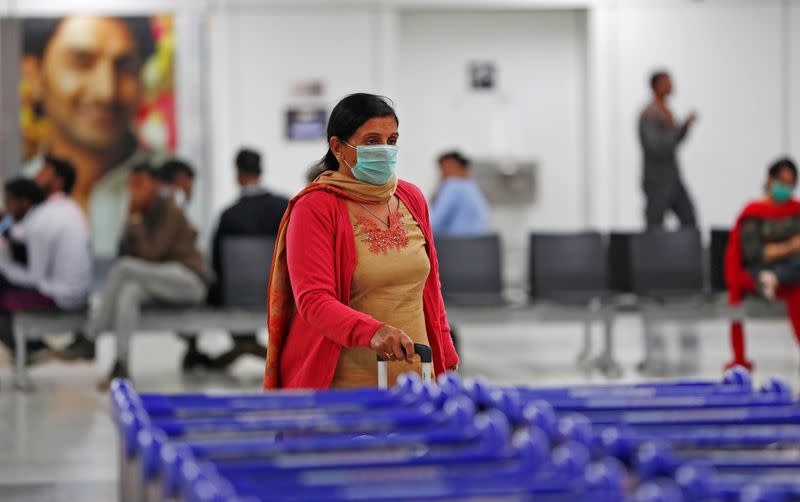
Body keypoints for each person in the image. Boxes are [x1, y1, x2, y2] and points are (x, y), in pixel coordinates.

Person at [263, 93, 459, 390]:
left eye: (391, 140)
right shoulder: (315, 207)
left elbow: (431, 291)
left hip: (415, 376)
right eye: (371, 141)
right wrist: (374, 332)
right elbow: (313, 301)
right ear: (338, 147)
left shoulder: (411, 198)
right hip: (343, 382)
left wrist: (447, 360)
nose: (384, 149)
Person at [22, 16, 167, 256]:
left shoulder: (164, 181)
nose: (106, 91)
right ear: (35, 72)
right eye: (82, 63)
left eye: (123, 65)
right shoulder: (22, 184)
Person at [61, 163, 208, 389]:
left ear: (156, 185)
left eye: (139, 184)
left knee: (125, 268)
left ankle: (90, 337)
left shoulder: (169, 209)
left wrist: (136, 221)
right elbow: (123, 253)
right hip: (159, 282)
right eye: (131, 185)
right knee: (130, 291)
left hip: (188, 281)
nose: (134, 190)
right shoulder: (141, 211)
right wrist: (129, 220)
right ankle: (121, 364)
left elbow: (151, 254)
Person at [182, 148, 290, 371]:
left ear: (238, 174)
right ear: (261, 170)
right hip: (279, 293)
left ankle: (236, 346)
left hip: (234, 296)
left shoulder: (228, 215)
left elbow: (217, 265)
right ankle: (252, 347)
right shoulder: (283, 207)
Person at [0, 157, 92, 361]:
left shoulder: (47, 216)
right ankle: (29, 346)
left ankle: (31, 347)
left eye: (43, 173)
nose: (36, 176)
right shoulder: (62, 210)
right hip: (69, 289)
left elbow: (35, 275)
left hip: (60, 293)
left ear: (57, 181)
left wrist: (4, 268)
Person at [724, 158, 800, 371]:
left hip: (790, 272)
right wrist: (790, 246)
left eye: (790, 184)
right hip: (759, 272)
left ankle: (778, 277)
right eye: (781, 182)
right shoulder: (753, 212)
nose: (785, 188)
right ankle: (776, 276)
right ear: (769, 180)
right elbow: (755, 253)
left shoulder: (796, 210)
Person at [639, 70, 698, 227]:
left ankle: (685, 250)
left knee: (689, 218)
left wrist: (684, 127)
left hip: (673, 177)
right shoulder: (649, 114)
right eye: (666, 82)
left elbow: (674, 141)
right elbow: (654, 146)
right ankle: (653, 251)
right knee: (655, 223)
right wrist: (675, 133)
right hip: (657, 179)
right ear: (656, 86)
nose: (671, 86)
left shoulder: (666, 112)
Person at [429, 151, 490, 237]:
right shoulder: (472, 187)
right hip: (477, 244)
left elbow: (434, 224)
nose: (442, 173)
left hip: (457, 244)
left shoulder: (453, 185)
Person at [1, 178, 46, 266]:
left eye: (9, 200)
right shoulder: (11, 219)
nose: (6, 205)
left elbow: (18, 235)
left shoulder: (37, 221)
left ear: (24, 202)